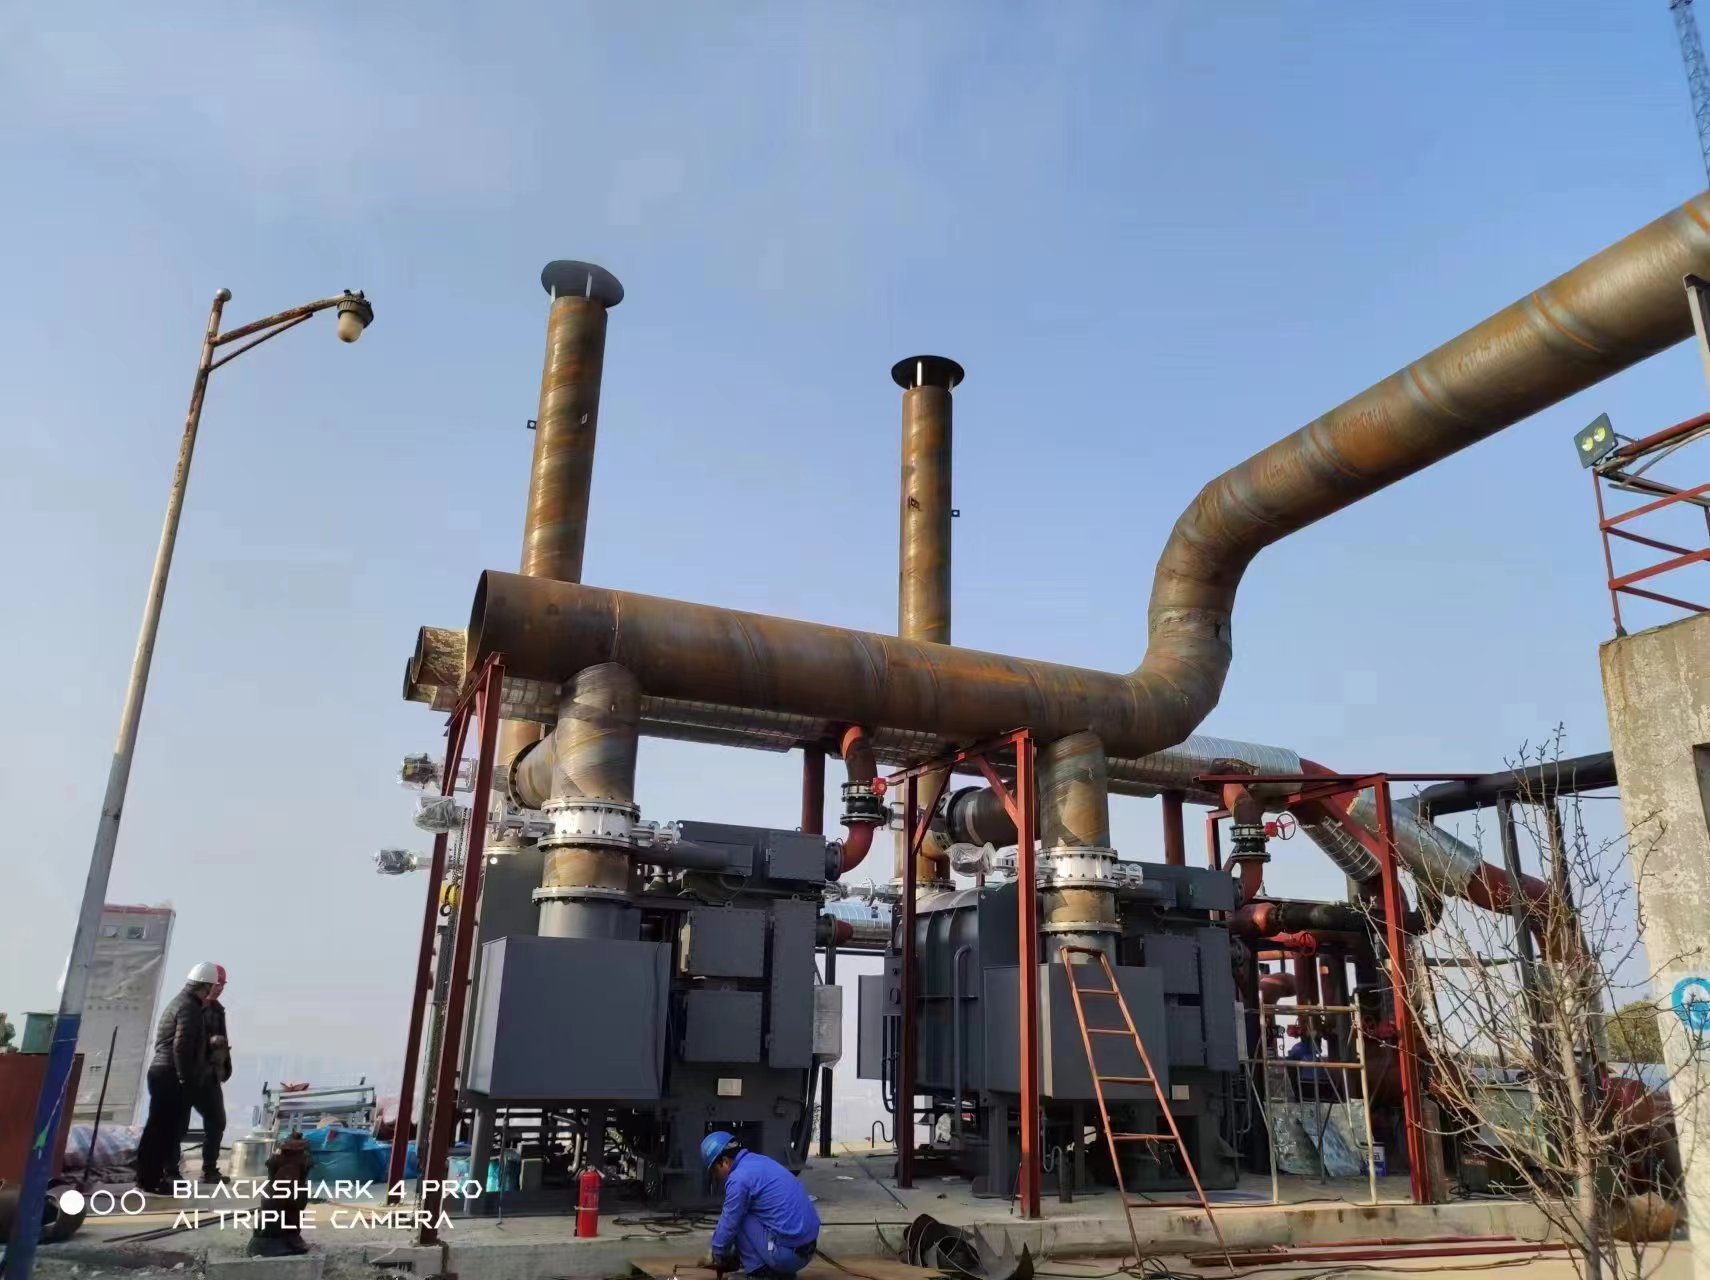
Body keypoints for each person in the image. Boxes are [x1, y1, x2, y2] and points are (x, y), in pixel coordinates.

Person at [135, 964, 216, 1194]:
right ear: (206, 986)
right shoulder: (189, 1008)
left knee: (158, 1128)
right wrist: (185, 1078)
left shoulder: (180, 1003)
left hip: (163, 1072)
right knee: (164, 1131)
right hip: (170, 1075)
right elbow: (181, 1046)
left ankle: (148, 1178)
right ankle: (151, 1180)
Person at [696, 1132, 819, 1278]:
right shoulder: (759, 1161)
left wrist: (717, 1254)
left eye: (715, 1170)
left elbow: (729, 1223)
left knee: (739, 1217)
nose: (717, 1177)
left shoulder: (738, 1179)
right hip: (806, 1249)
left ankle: (759, 1273)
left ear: (725, 1162)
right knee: (746, 1212)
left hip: (787, 1256)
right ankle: (778, 1271)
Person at [185, 962, 232, 1183]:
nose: (219, 988)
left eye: (222, 985)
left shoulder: (217, 1010)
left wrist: (225, 1066)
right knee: (178, 1123)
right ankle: (169, 1169)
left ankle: (209, 1168)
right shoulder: (190, 1007)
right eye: (217, 984)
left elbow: (223, 1040)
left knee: (217, 1121)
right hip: (188, 1074)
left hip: (210, 1074)